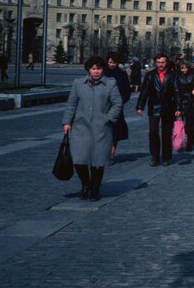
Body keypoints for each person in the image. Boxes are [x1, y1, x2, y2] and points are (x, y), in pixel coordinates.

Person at [62, 55, 122, 201]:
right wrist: (67, 122)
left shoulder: (110, 84)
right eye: (93, 69)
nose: (96, 72)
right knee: (79, 159)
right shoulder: (78, 83)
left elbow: (117, 103)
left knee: (98, 161)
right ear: (88, 69)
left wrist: (108, 119)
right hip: (80, 127)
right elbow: (72, 104)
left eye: (99, 68)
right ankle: (86, 184)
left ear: (103, 70)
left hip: (101, 129)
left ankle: (95, 189)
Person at [136, 53, 178, 166]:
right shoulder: (150, 75)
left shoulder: (173, 75)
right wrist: (140, 106)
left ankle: (166, 157)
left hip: (168, 107)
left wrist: (178, 108)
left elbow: (177, 92)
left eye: (163, 62)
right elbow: (144, 92)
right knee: (153, 132)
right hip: (154, 106)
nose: (160, 65)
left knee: (166, 133)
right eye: (158, 62)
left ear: (167, 63)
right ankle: (154, 157)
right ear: (155, 63)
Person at [105, 53, 132, 164]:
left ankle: (111, 154)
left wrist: (120, 102)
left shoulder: (121, 74)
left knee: (114, 131)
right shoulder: (103, 72)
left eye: (114, 62)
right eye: (110, 62)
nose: (111, 64)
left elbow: (126, 91)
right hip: (102, 106)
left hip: (116, 106)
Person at [174, 60, 194, 151]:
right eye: (182, 68)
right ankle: (180, 140)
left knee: (190, 123)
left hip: (191, 100)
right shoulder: (177, 75)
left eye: (185, 68)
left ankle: (190, 141)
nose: (184, 70)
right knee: (180, 123)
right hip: (180, 100)